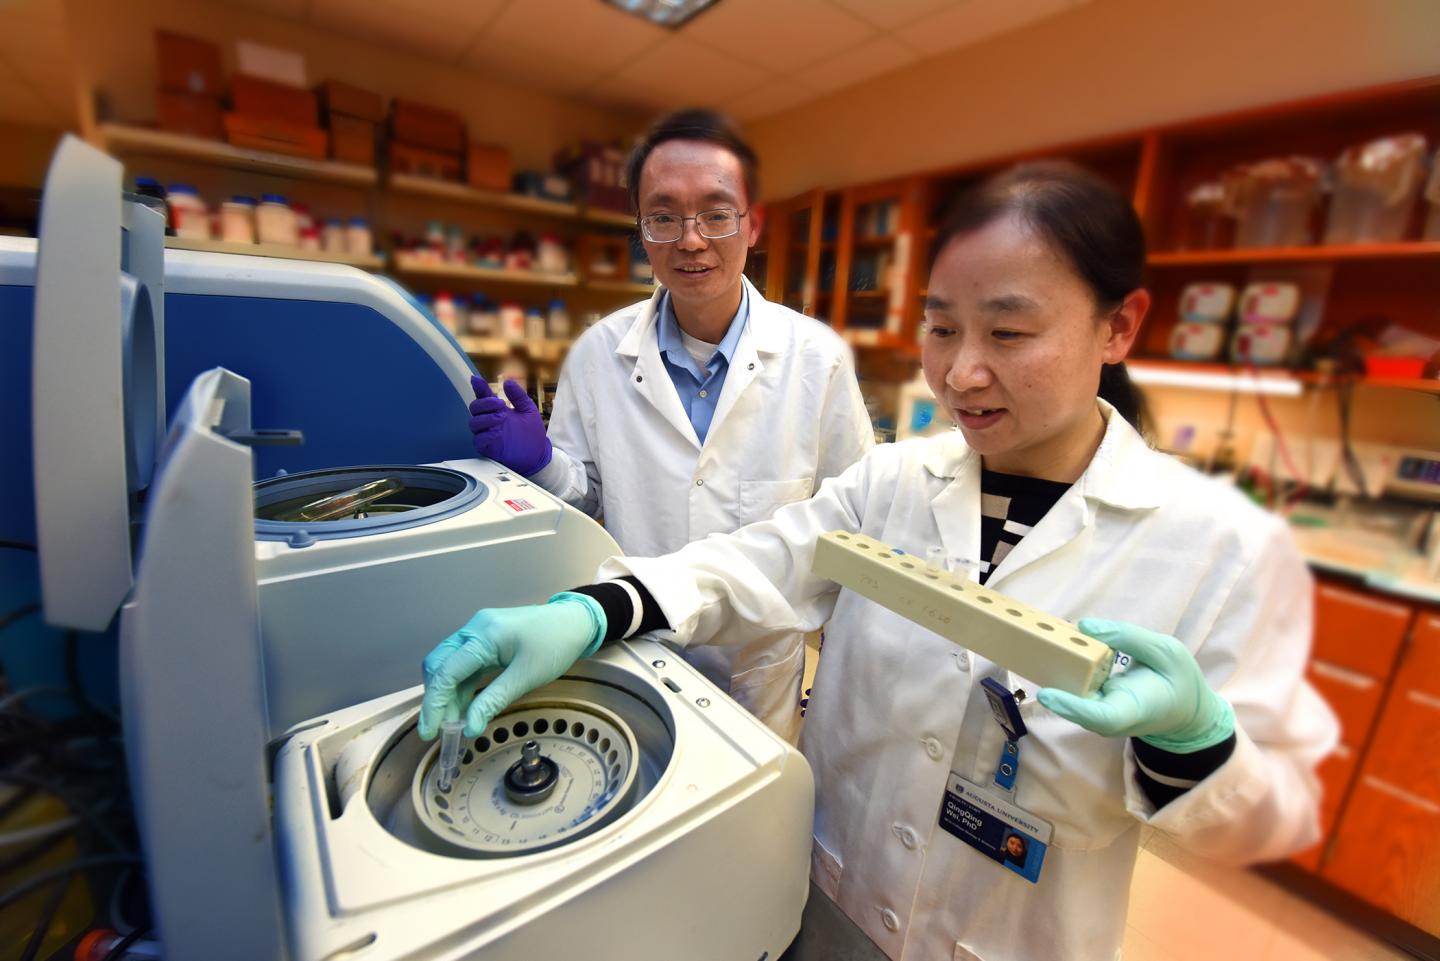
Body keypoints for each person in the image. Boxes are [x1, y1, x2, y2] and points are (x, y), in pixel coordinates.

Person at [422, 163, 1337, 961]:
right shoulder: (897, 479)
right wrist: (593, 610)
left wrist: (1194, 740)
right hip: (834, 890)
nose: (962, 374)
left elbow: (1255, 819)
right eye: (943, 330)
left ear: (1119, 326)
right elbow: (756, 561)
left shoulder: (1214, 541)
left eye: (1009, 333)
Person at [466, 109, 872, 742]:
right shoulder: (599, 351)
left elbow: (854, 525)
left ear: (752, 225)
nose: (691, 240)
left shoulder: (818, 358)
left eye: (716, 213)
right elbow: (588, 496)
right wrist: (540, 462)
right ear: (642, 231)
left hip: (758, 665)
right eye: (663, 216)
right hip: (638, 643)